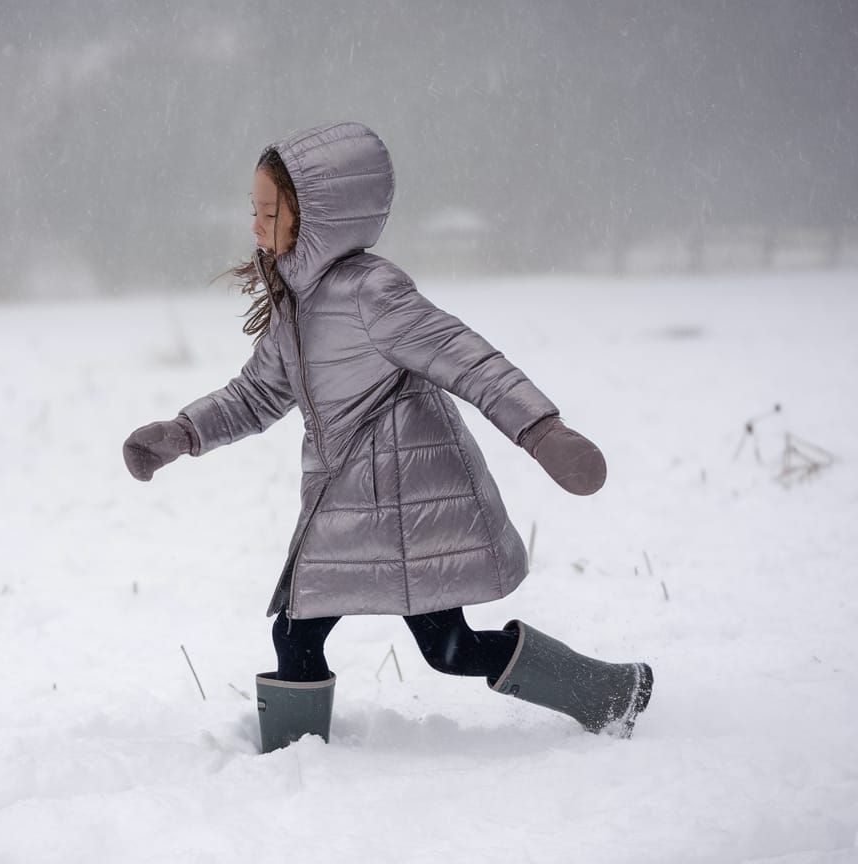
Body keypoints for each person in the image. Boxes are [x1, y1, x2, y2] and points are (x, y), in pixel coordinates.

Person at [123, 122, 653, 752]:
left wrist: (541, 430)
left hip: (408, 502)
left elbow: (468, 359)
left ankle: (608, 694)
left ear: (318, 218)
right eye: (253, 211)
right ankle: (296, 759)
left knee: (445, 649)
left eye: (269, 212)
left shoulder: (372, 292)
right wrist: (183, 432)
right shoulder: (295, 304)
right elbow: (257, 394)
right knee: (308, 635)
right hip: (345, 503)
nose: (256, 227)